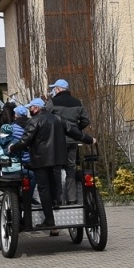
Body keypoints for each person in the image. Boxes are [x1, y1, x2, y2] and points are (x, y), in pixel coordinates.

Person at [21, 97, 92, 227]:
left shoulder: (34, 121)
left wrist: (11, 148)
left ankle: (49, 219)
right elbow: (74, 132)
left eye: (30, 107)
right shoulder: (58, 119)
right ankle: (57, 202)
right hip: (57, 159)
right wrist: (89, 139)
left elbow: (24, 141)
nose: (29, 110)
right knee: (56, 180)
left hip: (40, 160)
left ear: (36, 108)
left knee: (43, 188)